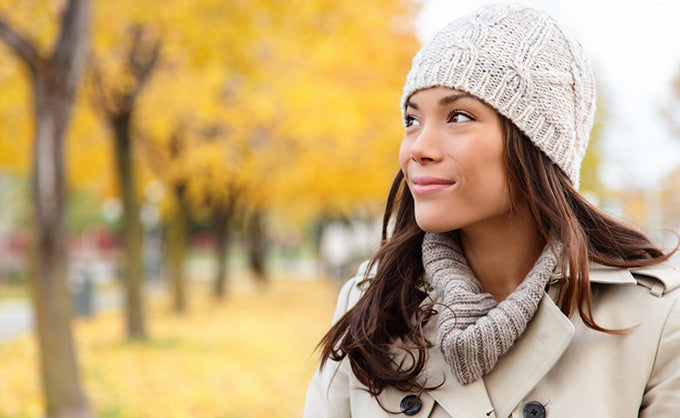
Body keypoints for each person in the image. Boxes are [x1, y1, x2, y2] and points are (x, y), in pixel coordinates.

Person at [303, 3, 680, 417]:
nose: (418, 149)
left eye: (458, 116)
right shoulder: (373, 303)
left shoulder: (656, 318)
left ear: (536, 144)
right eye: (412, 120)